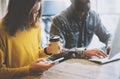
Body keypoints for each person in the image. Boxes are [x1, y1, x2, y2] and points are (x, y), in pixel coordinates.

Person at [0, 0, 57, 79]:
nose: (33, 19)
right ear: (16, 11)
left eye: (36, 12)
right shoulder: (2, 30)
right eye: (29, 14)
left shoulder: (36, 26)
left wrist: (47, 51)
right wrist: (29, 69)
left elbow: (35, 55)